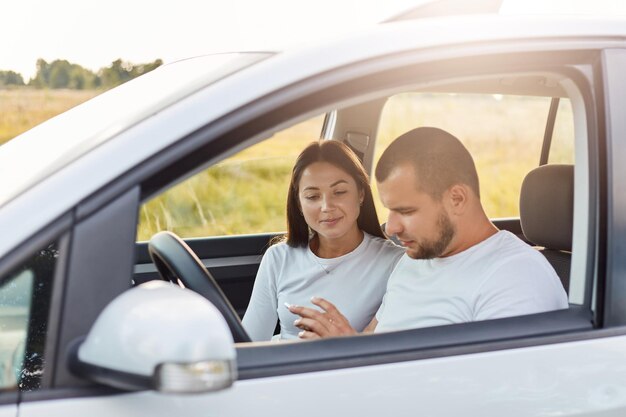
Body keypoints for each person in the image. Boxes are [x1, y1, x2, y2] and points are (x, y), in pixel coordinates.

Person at [289, 127, 569, 338]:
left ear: (457, 199)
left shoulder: (515, 278)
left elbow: (493, 400)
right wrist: (346, 345)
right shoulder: (414, 258)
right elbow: (373, 342)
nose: (392, 228)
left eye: (407, 211)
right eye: (390, 210)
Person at [242, 140, 404, 341]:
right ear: (299, 203)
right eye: (312, 196)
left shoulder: (394, 262)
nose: (327, 206)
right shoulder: (278, 257)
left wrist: (342, 345)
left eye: (339, 192)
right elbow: (250, 343)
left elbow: (391, 350)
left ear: (361, 193)